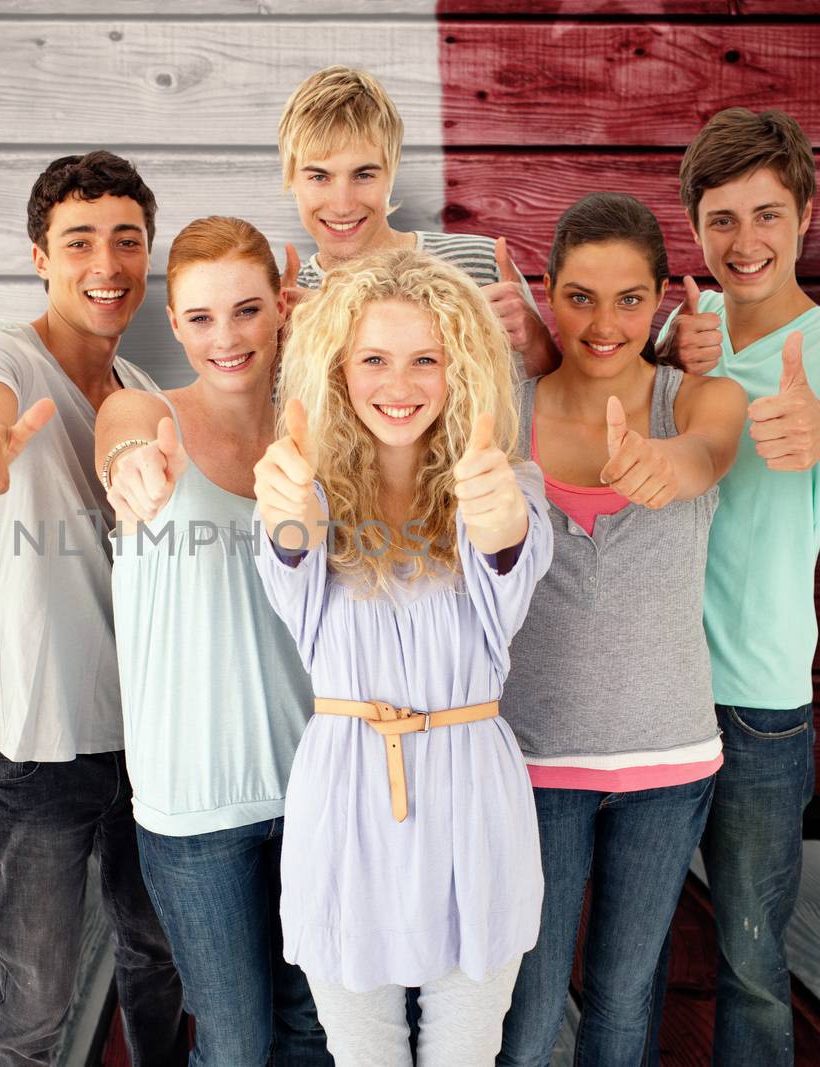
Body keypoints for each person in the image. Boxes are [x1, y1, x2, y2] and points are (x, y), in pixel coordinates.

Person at [0, 150, 185, 1067]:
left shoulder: (147, 398)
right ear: (39, 256)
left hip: (148, 740)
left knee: (159, 959)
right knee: (38, 1002)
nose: (105, 265)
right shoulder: (3, 355)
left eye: (126, 241)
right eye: (79, 242)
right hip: (35, 742)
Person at [252, 247, 551, 1065]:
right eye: (374, 359)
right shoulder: (300, 487)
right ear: (339, 371)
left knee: (465, 1054)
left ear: (463, 370)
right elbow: (289, 549)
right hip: (347, 802)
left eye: (427, 359)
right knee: (363, 1056)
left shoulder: (507, 484)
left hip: (473, 806)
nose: (400, 383)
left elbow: (509, 552)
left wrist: (496, 519)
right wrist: (288, 514)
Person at [656, 107, 820, 1067]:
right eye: (722, 219)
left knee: (751, 960)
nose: (744, 241)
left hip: (758, 704)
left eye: (765, 214)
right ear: (697, 226)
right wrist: (666, 360)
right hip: (651, 692)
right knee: (629, 945)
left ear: (803, 214)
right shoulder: (685, 326)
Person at [494, 193, 746, 1066]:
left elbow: (707, 454)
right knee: (524, 1011)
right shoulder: (503, 410)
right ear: (546, 296)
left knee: (622, 1000)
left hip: (667, 759)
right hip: (530, 760)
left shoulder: (702, 397)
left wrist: (663, 462)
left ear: (663, 301)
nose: (604, 324)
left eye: (630, 299)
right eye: (580, 296)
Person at [94, 216, 332, 1067]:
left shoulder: (324, 434)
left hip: (318, 788)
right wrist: (129, 463)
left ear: (282, 308)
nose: (225, 337)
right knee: (234, 1044)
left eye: (246, 309)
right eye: (199, 317)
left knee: (316, 1031)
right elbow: (116, 437)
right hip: (194, 806)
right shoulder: (145, 412)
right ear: (173, 322)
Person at [277, 65, 559, 376]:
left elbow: (554, 402)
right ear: (290, 178)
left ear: (392, 173)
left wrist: (535, 341)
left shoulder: (480, 267)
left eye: (364, 175)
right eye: (319, 176)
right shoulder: (280, 307)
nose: (342, 204)